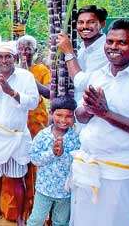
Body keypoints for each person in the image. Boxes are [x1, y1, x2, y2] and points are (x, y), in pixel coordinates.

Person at [64, 19, 129, 226]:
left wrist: (106, 113)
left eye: (122, 43)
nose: (113, 47)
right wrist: (88, 110)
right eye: (110, 42)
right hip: (88, 166)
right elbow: (80, 115)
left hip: (121, 172)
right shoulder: (98, 75)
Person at [0, 41, 39, 226]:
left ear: (15, 58)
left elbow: (34, 102)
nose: (4, 60)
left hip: (16, 136)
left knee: (17, 177)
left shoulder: (26, 77)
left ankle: (20, 217)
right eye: (0, 57)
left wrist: (11, 92)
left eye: (8, 56)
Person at [0, 35, 51, 221]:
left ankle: (35, 208)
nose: (24, 51)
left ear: (34, 51)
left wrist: (29, 78)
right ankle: (12, 209)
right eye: (21, 48)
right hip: (14, 124)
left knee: (34, 164)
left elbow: (50, 93)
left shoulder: (41, 69)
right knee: (15, 167)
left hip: (37, 122)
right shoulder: (9, 70)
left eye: (28, 48)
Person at [27, 97, 80, 226]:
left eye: (68, 116)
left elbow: (77, 163)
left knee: (61, 222)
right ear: (51, 114)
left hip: (65, 192)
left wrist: (62, 154)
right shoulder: (43, 135)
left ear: (74, 117)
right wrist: (52, 153)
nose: (63, 120)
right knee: (36, 220)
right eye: (59, 115)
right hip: (44, 189)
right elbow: (34, 159)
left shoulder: (75, 138)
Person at [57, 5, 108, 102]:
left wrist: (68, 52)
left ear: (102, 24)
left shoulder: (105, 49)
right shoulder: (82, 48)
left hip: (96, 112)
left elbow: (81, 83)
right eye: (80, 22)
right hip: (77, 110)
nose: (84, 26)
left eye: (91, 22)